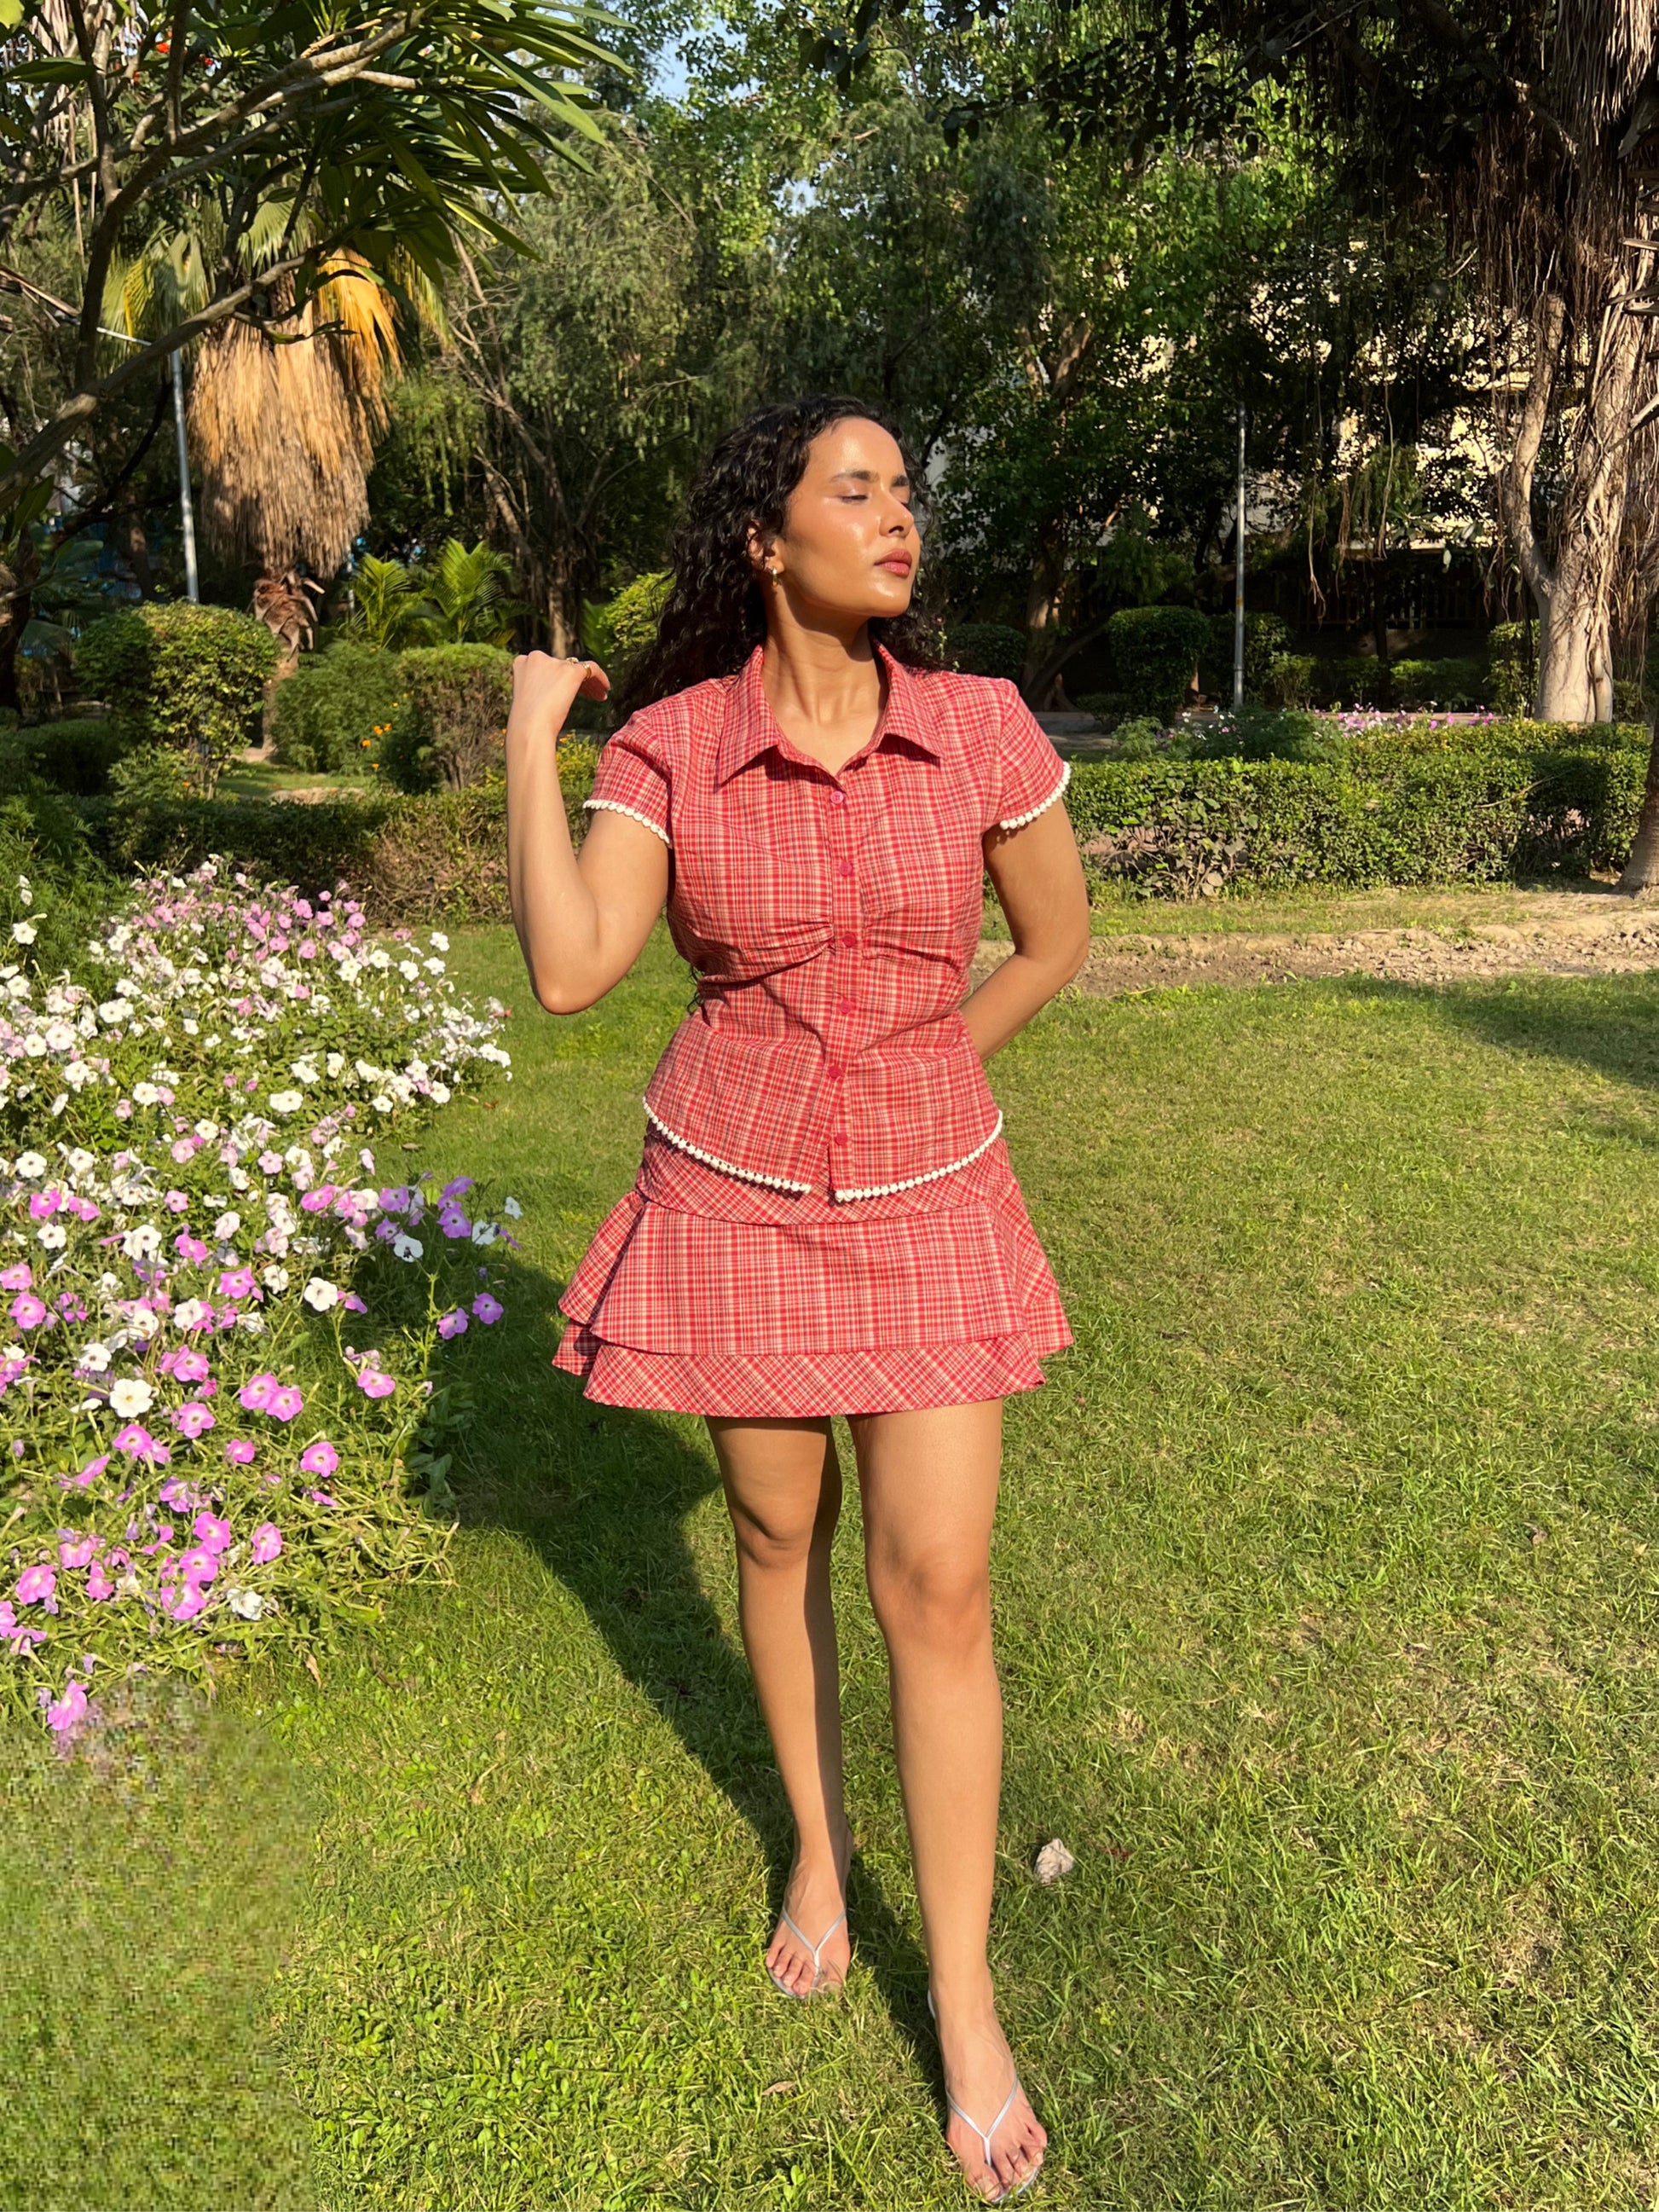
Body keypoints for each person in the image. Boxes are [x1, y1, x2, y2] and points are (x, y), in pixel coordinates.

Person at [505, 394, 1090, 2205]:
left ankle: (967, 2004)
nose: (898, 514)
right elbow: (575, 970)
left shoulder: (978, 724)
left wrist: (931, 1063)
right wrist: (527, 742)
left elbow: (1055, 937)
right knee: (776, 1537)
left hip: (930, 1195)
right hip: (734, 1193)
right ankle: (821, 1854)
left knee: (940, 1581)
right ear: (766, 540)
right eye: (858, 489)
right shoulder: (673, 746)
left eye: (906, 488)